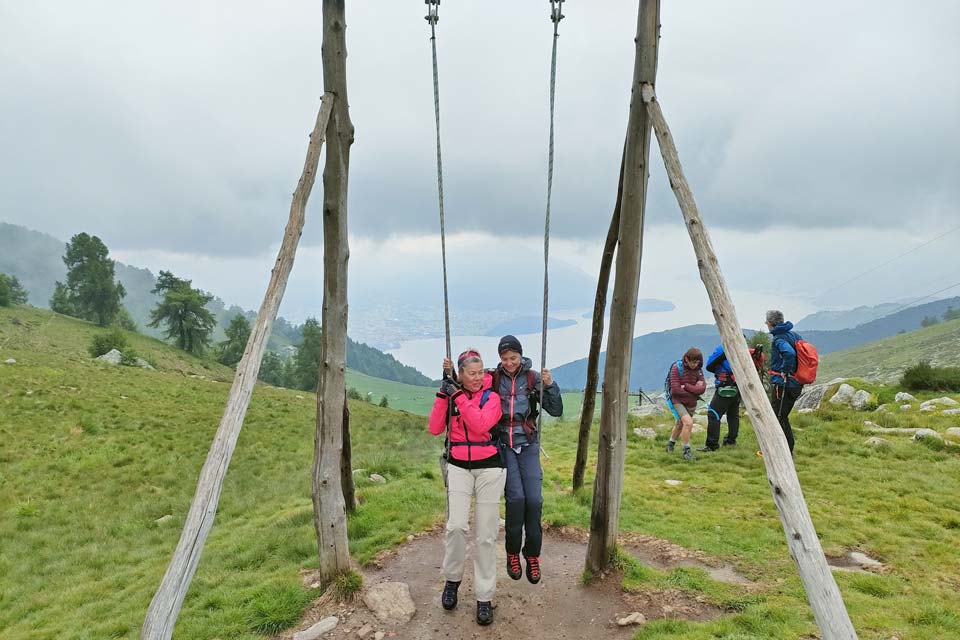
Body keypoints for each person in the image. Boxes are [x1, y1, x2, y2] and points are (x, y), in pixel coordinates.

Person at [429, 349, 505, 626]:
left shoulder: (492, 397)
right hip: (458, 466)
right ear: (460, 374)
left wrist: (459, 396)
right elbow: (435, 428)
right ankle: (452, 580)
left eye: (480, 372)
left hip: (490, 468)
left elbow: (482, 424)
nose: (477, 377)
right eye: (471, 373)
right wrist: (442, 394)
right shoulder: (451, 395)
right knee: (456, 526)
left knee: (485, 534)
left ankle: (484, 597)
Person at [492, 335, 563, 585]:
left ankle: (532, 555)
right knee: (516, 499)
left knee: (534, 500)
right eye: (504, 358)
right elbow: (468, 385)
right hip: (504, 445)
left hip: (529, 443)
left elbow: (556, 410)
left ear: (520, 356)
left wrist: (549, 385)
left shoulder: (532, 378)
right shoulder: (494, 379)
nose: (509, 362)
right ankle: (512, 552)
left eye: (513, 357)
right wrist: (450, 373)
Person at [699, 341, 765, 452]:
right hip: (739, 387)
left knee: (713, 414)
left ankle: (712, 445)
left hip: (725, 387)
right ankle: (731, 440)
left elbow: (709, 366)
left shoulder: (723, 349)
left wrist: (725, 354)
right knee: (733, 414)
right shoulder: (746, 352)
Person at [766, 310, 803, 453]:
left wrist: (784, 371)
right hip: (796, 383)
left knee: (778, 417)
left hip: (784, 384)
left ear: (770, 323)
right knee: (782, 416)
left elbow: (789, 353)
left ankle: (785, 450)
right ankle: (785, 448)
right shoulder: (793, 335)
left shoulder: (779, 338)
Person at [665, 347, 706, 460]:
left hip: (691, 402)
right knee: (688, 423)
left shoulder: (699, 370)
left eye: (697, 362)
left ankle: (670, 444)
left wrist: (687, 386)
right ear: (687, 359)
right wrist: (694, 389)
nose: (695, 364)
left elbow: (702, 389)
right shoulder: (676, 368)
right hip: (677, 401)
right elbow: (676, 390)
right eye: (693, 362)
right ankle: (686, 451)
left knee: (680, 424)